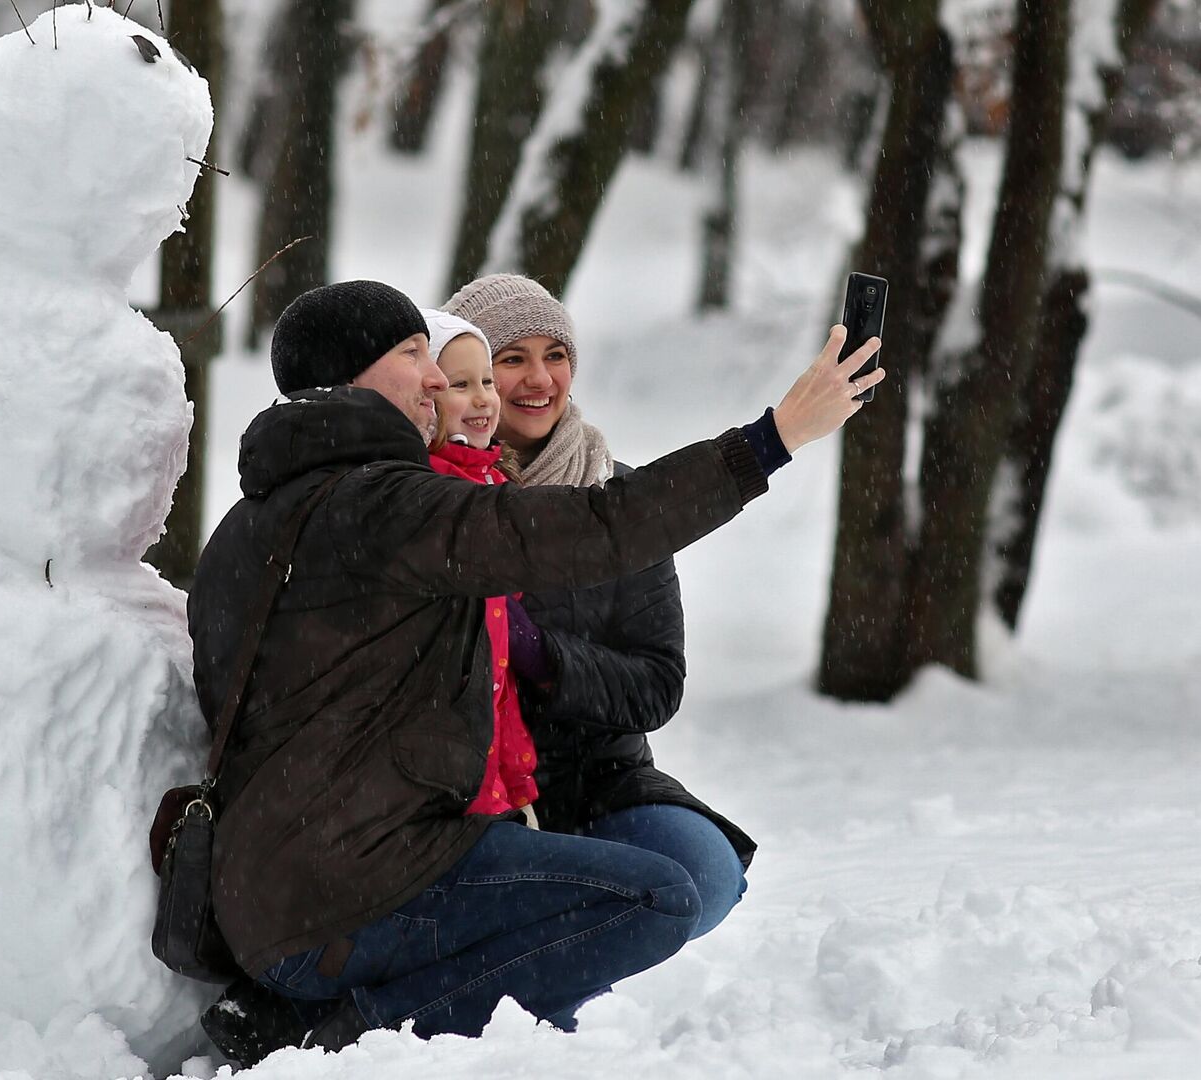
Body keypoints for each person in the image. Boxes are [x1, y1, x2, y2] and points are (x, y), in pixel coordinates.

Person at [189, 280, 883, 1065]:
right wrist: (773, 438)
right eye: (415, 357)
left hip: (277, 891)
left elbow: (648, 669)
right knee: (657, 899)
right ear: (349, 379)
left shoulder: (260, 516)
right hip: (348, 899)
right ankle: (356, 1028)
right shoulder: (386, 508)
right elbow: (606, 525)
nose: (434, 380)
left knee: (684, 873)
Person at [444, 274, 751, 943]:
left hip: (600, 783)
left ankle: (550, 951)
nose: (539, 379)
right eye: (511, 357)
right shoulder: (440, 498)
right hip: (471, 797)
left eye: (555, 355)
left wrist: (543, 658)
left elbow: (656, 684)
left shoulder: (622, 500)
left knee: (704, 875)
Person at [421, 307, 540, 822]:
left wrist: (517, 781)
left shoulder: (493, 484)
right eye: (460, 383)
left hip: (492, 748)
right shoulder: (427, 490)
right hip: (447, 765)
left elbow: (502, 677)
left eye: (487, 381)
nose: (483, 398)